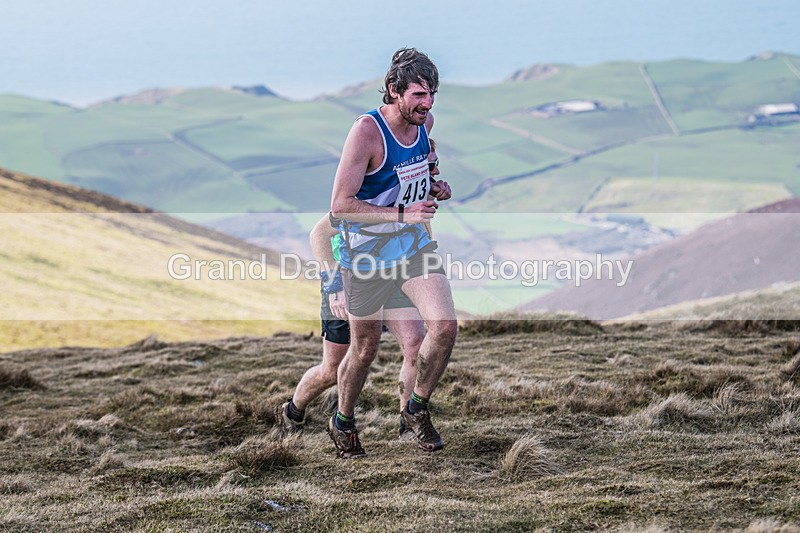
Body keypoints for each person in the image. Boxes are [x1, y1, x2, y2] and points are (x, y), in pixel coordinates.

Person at [328, 48, 458, 458]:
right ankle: (343, 419)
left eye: (432, 93)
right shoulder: (367, 132)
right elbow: (340, 206)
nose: (428, 103)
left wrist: (435, 182)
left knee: (444, 327)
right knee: (364, 350)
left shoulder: (425, 123)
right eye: (419, 94)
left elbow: (426, 157)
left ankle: (416, 409)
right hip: (365, 255)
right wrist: (405, 212)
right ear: (393, 91)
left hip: (411, 247)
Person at [275, 142, 450, 439]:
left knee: (414, 344)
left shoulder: (414, 191)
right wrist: (334, 285)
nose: (433, 171)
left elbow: (419, 230)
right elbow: (319, 234)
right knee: (333, 369)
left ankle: (407, 424)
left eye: (435, 165)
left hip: (392, 274)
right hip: (347, 281)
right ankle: (293, 410)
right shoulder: (372, 198)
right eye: (428, 165)